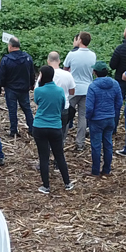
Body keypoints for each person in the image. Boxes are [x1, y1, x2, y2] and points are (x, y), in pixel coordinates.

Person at [31, 66, 72, 194]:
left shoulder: (39, 91)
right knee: (59, 154)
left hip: (40, 126)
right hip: (55, 126)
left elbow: (37, 102)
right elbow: (61, 106)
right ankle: (67, 183)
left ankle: (46, 186)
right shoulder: (60, 91)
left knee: (43, 157)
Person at [85, 61, 122, 177]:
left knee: (96, 146)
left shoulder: (93, 87)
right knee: (108, 144)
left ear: (95, 72)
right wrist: (114, 114)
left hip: (96, 120)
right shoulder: (115, 84)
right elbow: (119, 102)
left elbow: (89, 107)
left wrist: (88, 118)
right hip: (110, 118)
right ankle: (107, 169)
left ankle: (95, 171)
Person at [0, 36, 35, 138]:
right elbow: (32, 73)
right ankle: (32, 128)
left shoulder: (6, 60)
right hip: (24, 88)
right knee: (27, 108)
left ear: (10, 46)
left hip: (11, 89)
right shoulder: (27, 58)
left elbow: (1, 76)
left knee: (12, 110)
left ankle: (13, 130)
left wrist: (2, 85)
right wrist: (31, 84)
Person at [63, 32, 96, 148]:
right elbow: (92, 71)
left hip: (73, 88)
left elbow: (65, 69)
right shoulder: (93, 55)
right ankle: (80, 143)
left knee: (67, 115)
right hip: (87, 89)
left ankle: (62, 140)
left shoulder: (72, 55)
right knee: (83, 117)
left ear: (80, 40)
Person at [46, 52, 75, 142]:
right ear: (59, 61)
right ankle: (59, 149)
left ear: (48, 61)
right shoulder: (67, 75)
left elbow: (37, 90)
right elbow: (72, 91)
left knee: (49, 128)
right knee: (61, 130)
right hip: (63, 107)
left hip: (48, 107)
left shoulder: (45, 74)